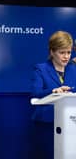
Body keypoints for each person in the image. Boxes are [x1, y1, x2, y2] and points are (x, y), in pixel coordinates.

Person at [30, 30, 76, 159]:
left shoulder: (74, 69)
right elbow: (35, 93)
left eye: (69, 52)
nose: (66, 56)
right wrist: (54, 91)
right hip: (46, 124)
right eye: (62, 52)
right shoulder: (40, 68)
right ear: (52, 52)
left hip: (71, 123)